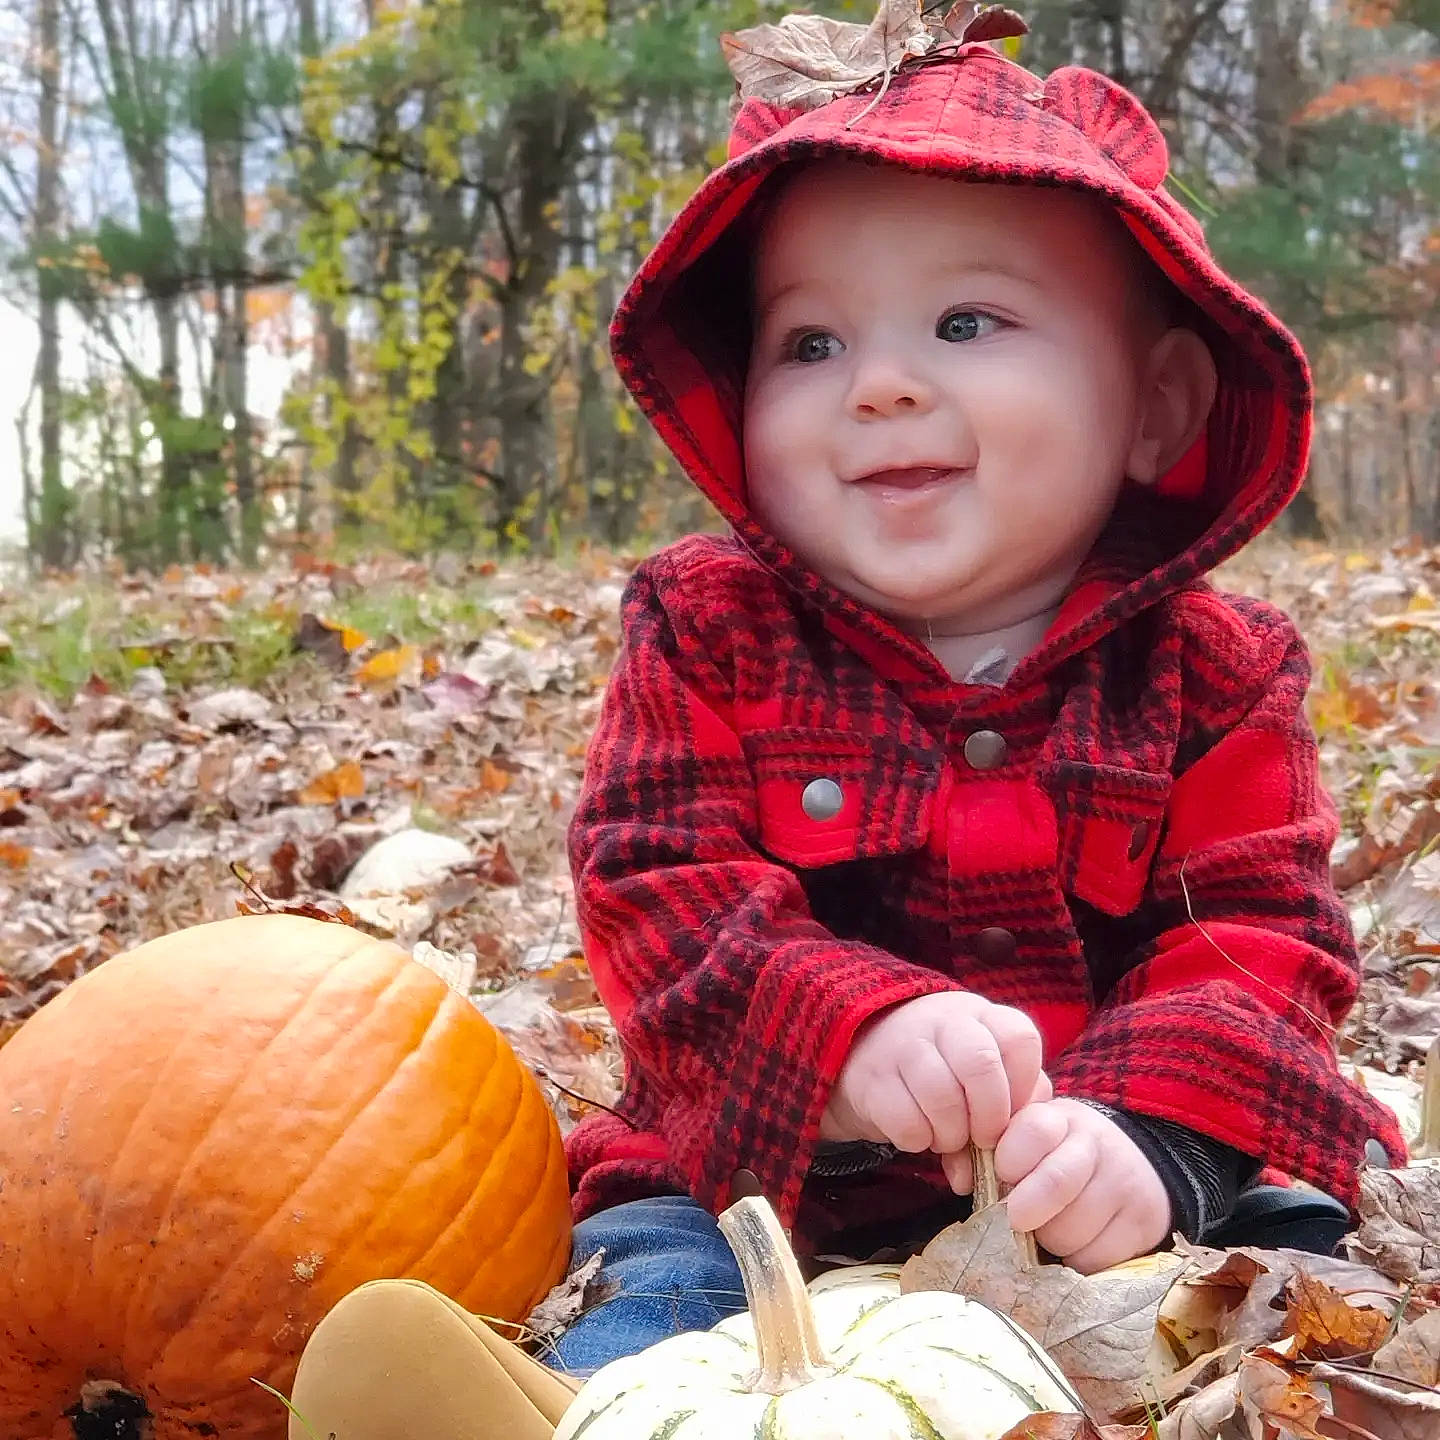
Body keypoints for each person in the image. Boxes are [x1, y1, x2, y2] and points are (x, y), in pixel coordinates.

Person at [284, 17, 1406, 1436]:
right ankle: (574, 1410)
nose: (878, 383)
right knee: (651, 1263)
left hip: (1103, 1196)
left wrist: (1150, 1135)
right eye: (810, 341)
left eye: (966, 323)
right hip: (770, 1189)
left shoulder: (1219, 673)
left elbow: (1258, 937)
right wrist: (852, 1036)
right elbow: (657, 890)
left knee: (1294, 1252)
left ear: (1156, 405)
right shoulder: (709, 626)